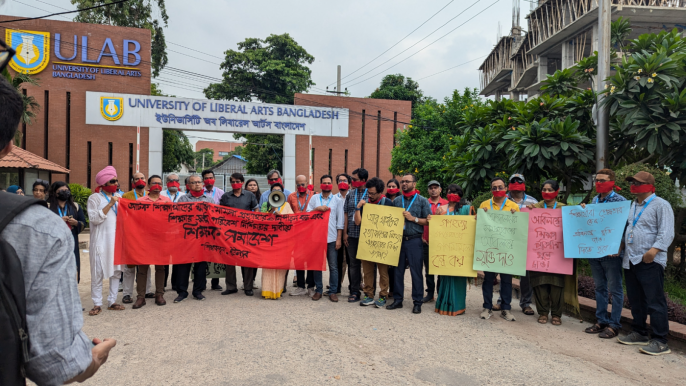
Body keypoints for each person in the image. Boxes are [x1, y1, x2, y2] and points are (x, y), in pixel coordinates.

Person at [0, 77, 115, 384]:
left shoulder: (42, 226)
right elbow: (55, 365)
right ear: (9, 146)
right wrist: (89, 359)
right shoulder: (36, 229)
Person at [617, 171, 674, 356]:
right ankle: (639, 332)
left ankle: (660, 340)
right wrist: (622, 246)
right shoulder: (632, 205)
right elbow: (629, 229)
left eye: (638, 182)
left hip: (650, 259)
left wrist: (654, 251)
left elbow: (666, 232)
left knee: (654, 301)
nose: (633, 185)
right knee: (636, 300)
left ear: (649, 186)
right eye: (632, 182)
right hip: (631, 259)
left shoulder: (661, 205)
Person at [581, 169, 627, 339]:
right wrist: (584, 211)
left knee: (615, 289)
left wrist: (619, 246)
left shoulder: (620, 201)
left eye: (603, 180)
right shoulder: (595, 200)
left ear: (612, 181)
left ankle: (614, 325)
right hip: (595, 251)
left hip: (612, 254)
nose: (599, 183)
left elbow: (624, 226)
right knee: (600, 287)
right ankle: (601, 320)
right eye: (597, 180)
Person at [386, 173, 430, 314]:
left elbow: (428, 221)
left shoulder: (422, 201)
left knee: (416, 272)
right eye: (402, 181)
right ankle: (398, 300)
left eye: (407, 181)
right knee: (397, 271)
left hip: (415, 240)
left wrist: (413, 219)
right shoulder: (397, 201)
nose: (404, 184)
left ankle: (417, 302)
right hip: (399, 240)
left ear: (414, 184)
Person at [526, 180, 567, 326]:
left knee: (557, 285)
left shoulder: (564, 208)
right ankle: (542, 312)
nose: (547, 192)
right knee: (539, 283)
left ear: (557, 191)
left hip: (556, 255)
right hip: (538, 253)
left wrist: (580, 210)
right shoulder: (533, 208)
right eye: (544, 189)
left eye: (550, 190)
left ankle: (556, 314)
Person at [494, 173, 537, 315]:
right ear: (509, 185)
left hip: (525, 242)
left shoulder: (532, 202)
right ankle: (502, 301)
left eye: (519, 181)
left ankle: (526, 303)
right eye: (513, 181)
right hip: (505, 242)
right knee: (504, 273)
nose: (516, 183)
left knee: (526, 275)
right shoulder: (502, 199)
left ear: (524, 184)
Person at [429, 184, 474, 316]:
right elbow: (436, 229)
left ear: (460, 194)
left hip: (461, 251)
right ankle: (443, 305)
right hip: (445, 250)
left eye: (455, 191)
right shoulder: (440, 209)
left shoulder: (467, 209)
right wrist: (431, 220)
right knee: (445, 277)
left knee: (458, 278)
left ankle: (458, 306)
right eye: (449, 191)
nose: (452, 193)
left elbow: (472, 228)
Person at [478, 177, 519, 321]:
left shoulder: (513, 206)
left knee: (506, 280)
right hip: (490, 248)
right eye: (494, 188)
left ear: (506, 188)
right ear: (491, 190)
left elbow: (518, 228)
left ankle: (506, 309)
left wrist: (516, 217)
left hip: (506, 249)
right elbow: (479, 225)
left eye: (500, 187)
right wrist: (480, 216)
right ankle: (487, 307)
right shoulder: (484, 204)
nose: (497, 190)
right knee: (488, 279)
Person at [87, 166, 126, 315]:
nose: (115, 183)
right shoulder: (94, 198)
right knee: (97, 272)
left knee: (116, 272)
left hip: (116, 241)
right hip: (100, 241)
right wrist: (110, 204)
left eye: (116, 180)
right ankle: (97, 303)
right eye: (112, 181)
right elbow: (94, 219)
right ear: (103, 183)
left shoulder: (119, 197)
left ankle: (112, 301)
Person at [173, 174, 215, 302]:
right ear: (188, 185)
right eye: (193, 182)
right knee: (183, 266)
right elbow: (177, 219)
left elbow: (213, 219)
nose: (197, 184)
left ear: (202, 184)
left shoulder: (210, 201)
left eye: (199, 182)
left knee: (201, 266)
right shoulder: (182, 200)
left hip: (202, 239)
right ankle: (182, 292)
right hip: (186, 239)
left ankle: (198, 291)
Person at [132, 175, 171, 308]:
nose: (157, 185)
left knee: (160, 268)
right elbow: (134, 219)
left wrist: (170, 209)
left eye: (159, 183)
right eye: (154, 183)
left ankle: (159, 294)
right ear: (148, 185)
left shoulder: (167, 200)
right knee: (142, 269)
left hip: (161, 239)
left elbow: (172, 221)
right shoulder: (141, 201)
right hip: (144, 239)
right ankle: (140, 297)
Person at [354, 177, 394, 307]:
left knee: (383, 272)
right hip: (367, 243)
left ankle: (383, 296)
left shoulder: (387, 203)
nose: (370, 195)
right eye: (368, 193)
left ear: (380, 192)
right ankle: (368, 295)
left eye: (372, 193)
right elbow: (357, 222)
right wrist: (358, 208)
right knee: (368, 271)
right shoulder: (365, 203)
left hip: (382, 244)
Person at [219, 172, 259, 296]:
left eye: (238, 181)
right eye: (233, 181)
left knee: (247, 259)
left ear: (242, 182)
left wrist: (254, 219)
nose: (235, 184)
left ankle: (248, 287)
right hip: (229, 233)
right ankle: (231, 287)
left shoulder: (249, 195)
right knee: (229, 260)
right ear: (230, 183)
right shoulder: (226, 196)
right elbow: (220, 213)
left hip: (246, 233)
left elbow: (256, 209)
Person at [308, 174, 344, 302]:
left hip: (332, 238)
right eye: (324, 183)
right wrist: (317, 209)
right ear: (320, 184)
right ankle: (318, 290)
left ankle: (333, 291)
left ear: (332, 185)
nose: (327, 185)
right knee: (317, 265)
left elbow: (340, 221)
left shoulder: (337, 200)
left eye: (329, 183)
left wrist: (339, 238)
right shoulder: (314, 198)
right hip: (316, 238)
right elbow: (307, 215)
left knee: (333, 266)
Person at [120, 172, 153, 303]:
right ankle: (127, 293)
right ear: (133, 182)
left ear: (146, 181)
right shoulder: (126, 196)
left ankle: (147, 290)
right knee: (130, 266)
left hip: (147, 236)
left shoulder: (151, 196)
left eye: (142, 178)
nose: (140, 180)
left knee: (146, 265)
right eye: (137, 179)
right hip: (131, 235)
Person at [47, 181, 86, 282]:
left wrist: (76, 223)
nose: (64, 192)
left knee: (72, 270)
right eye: (61, 191)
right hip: (54, 244)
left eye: (66, 190)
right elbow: (44, 225)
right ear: (54, 192)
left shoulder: (75, 207)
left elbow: (83, 223)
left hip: (71, 243)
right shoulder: (48, 206)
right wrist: (59, 221)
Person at [260, 182, 291, 299]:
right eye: (274, 190)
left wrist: (282, 217)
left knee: (280, 266)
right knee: (268, 266)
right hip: (268, 240)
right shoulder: (265, 204)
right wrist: (271, 211)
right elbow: (261, 221)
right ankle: (267, 290)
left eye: (279, 190)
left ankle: (278, 290)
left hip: (282, 241)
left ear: (282, 193)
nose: (276, 191)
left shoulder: (287, 205)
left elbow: (292, 221)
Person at [343, 168, 369, 302]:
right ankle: (354, 291)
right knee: (353, 264)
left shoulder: (370, 194)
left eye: (355, 179)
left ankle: (370, 292)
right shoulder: (350, 194)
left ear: (364, 180)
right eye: (352, 179)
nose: (352, 181)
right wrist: (345, 233)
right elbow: (346, 214)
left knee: (368, 265)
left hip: (367, 236)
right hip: (352, 234)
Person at [288, 174, 316, 296]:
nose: (300, 187)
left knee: (311, 259)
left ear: (307, 183)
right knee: (298, 259)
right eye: (298, 185)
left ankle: (310, 286)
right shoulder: (291, 197)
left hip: (311, 233)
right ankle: (300, 286)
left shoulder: (314, 195)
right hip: (297, 233)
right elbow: (288, 212)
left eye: (303, 184)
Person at [422, 180, 448, 303]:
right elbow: (421, 220)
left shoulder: (447, 204)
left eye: (435, 187)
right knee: (429, 270)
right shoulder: (424, 203)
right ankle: (430, 293)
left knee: (441, 269)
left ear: (440, 190)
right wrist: (422, 236)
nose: (433, 190)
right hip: (426, 241)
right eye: (431, 188)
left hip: (442, 243)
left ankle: (440, 293)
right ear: (428, 190)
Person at [202, 169, 225, 291]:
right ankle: (202, 281)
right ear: (203, 180)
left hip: (216, 228)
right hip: (202, 229)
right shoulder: (198, 192)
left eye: (211, 177)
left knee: (217, 253)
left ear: (214, 179)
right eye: (206, 178)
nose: (208, 180)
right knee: (203, 254)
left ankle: (215, 282)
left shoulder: (221, 193)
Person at [333, 173, 351, 295]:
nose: (342, 182)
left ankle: (354, 286)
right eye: (340, 180)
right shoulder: (334, 198)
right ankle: (337, 285)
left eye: (344, 180)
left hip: (351, 234)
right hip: (338, 233)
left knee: (352, 261)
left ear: (349, 183)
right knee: (339, 261)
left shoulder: (354, 196)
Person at [385, 178, 401, 296]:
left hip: (398, 236)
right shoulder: (384, 201)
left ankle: (396, 289)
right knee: (387, 266)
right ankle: (389, 289)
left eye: (393, 186)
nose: (391, 189)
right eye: (389, 186)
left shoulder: (401, 201)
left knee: (396, 266)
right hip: (385, 236)